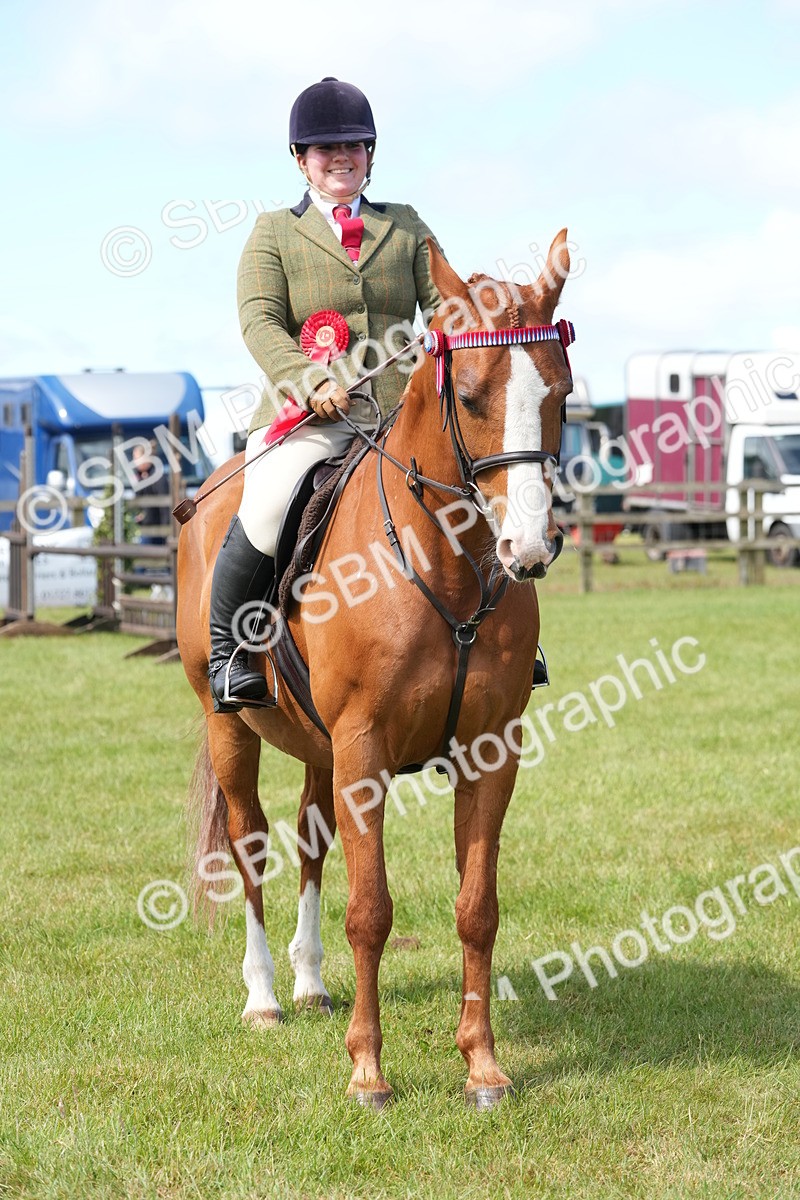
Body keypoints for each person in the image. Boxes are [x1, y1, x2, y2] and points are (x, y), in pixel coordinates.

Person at [208, 77, 442, 712]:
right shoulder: (273, 233)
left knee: (476, 486)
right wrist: (311, 381)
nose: (341, 158)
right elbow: (261, 322)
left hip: (404, 409)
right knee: (267, 502)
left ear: (370, 154)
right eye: (324, 149)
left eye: (353, 146)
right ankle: (229, 655)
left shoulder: (405, 225)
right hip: (311, 417)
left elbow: (443, 308)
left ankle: (510, 641)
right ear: (300, 159)